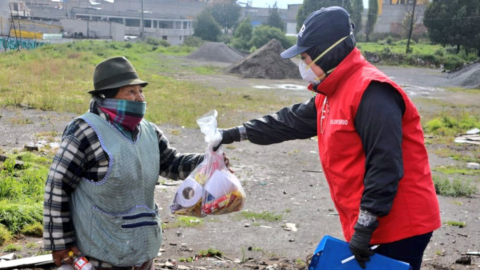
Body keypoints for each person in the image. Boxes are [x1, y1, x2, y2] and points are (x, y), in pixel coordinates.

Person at [214, 6, 441, 270]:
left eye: (306, 56)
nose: (303, 65)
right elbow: (289, 122)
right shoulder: (331, 92)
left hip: (399, 225)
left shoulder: (372, 92)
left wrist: (366, 224)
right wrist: (232, 134)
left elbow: (385, 163)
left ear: (328, 51)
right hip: (371, 222)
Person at [43, 56, 209, 270]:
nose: (140, 98)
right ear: (106, 97)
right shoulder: (84, 132)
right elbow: (57, 186)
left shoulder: (149, 132)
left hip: (141, 252)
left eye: (141, 91)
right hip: (98, 256)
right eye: (131, 92)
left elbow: (172, 164)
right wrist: (61, 244)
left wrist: (207, 161)